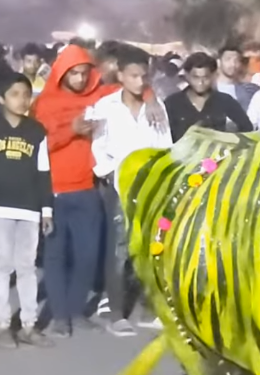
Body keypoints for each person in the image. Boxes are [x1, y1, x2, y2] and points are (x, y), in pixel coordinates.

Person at [91, 47, 174, 337]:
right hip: (118, 187)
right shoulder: (106, 107)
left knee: (152, 247)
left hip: (152, 187)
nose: (140, 81)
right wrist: (110, 173)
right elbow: (98, 147)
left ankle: (150, 308)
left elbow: (166, 146)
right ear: (121, 75)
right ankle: (116, 313)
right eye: (134, 76)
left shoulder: (156, 106)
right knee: (119, 250)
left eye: (144, 75)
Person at [31, 45, 110, 338]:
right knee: (55, 256)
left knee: (88, 255)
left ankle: (76, 309)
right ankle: (61, 316)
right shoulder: (45, 104)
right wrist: (71, 131)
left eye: (83, 73)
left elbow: (131, 86)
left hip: (87, 190)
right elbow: (39, 146)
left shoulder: (97, 98)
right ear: (62, 73)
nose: (79, 79)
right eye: (73, 73)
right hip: (54, 192)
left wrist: (151, 101)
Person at [0, 71, 54, 348]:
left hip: (29, 209)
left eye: (26, 94)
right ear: (2, 98)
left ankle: (29, 326)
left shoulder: (36, 131)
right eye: (15, 94)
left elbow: (44, 172)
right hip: (1, 209)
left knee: (27, 268)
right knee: (2, 268)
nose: (22, 100)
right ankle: (2, 326)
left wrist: (47, 210)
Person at [166, 52, 253, 142]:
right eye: (196, 77)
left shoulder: (224, 101)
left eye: (205, 77)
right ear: (187, 76)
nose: (201, 82)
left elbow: (247, 128)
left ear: (213, 76)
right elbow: (164, 136)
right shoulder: (172, 103)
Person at [215, 44, 260, 110]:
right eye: (228, 59)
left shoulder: (250, 90)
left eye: (236, 60)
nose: (233, 64)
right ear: (218, 62)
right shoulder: (206, 90)